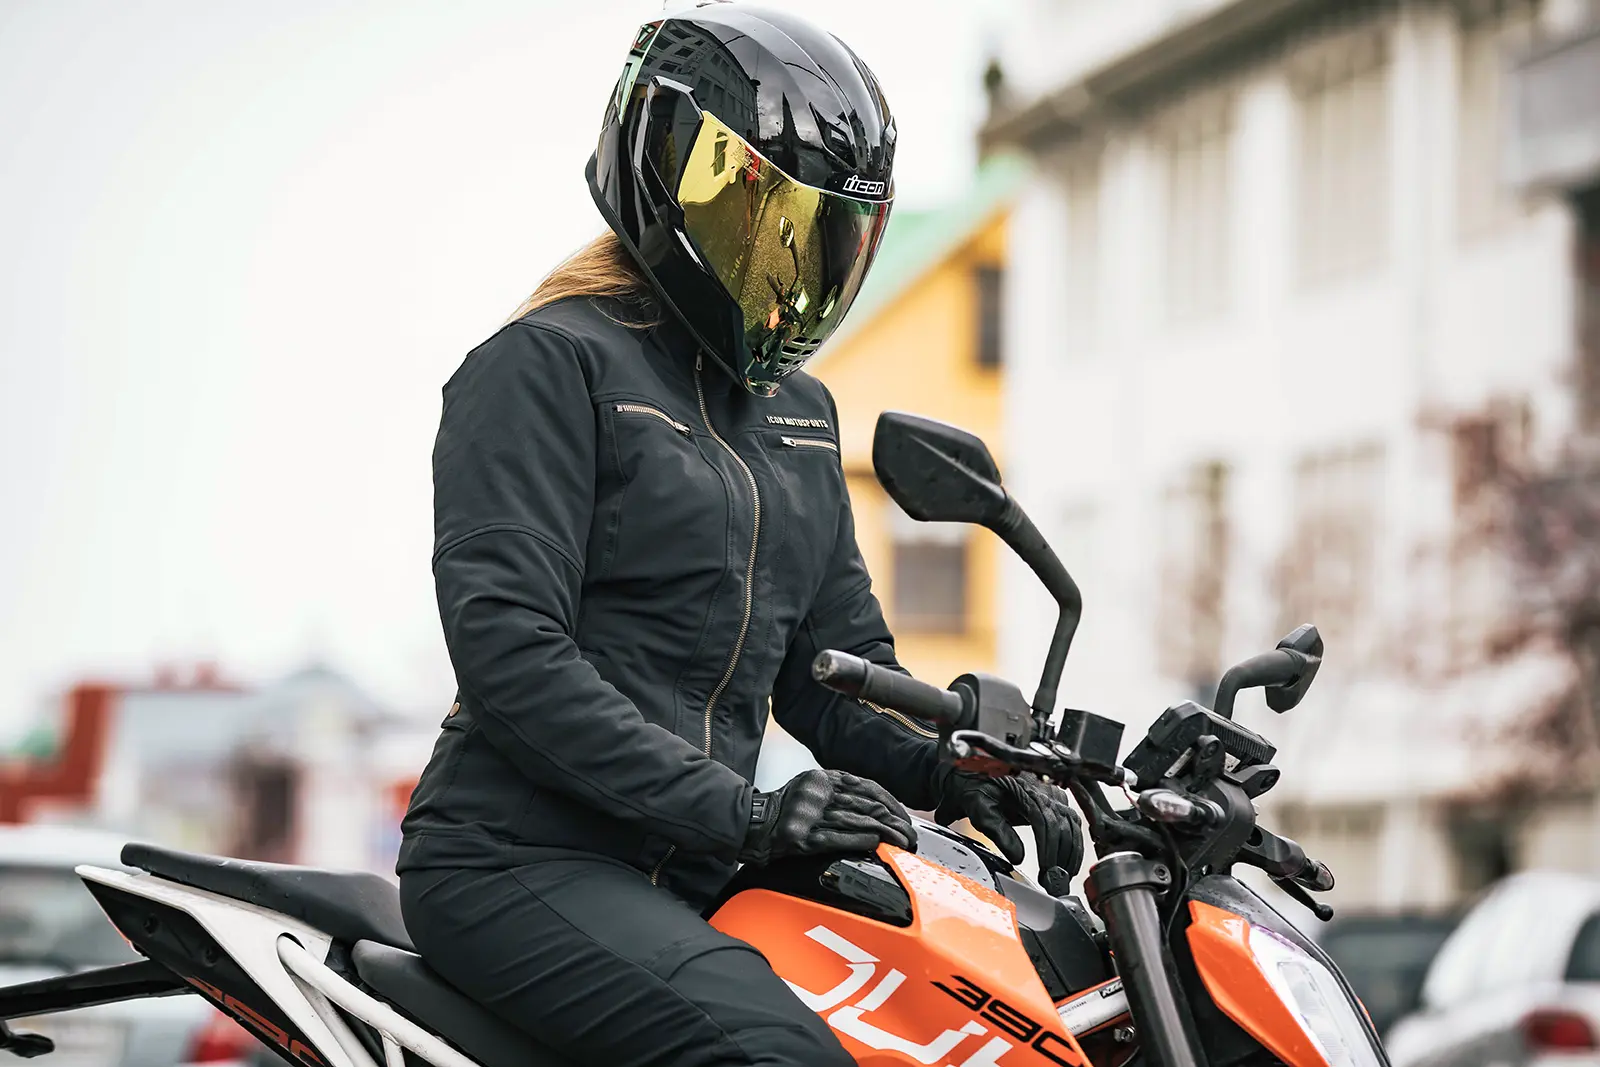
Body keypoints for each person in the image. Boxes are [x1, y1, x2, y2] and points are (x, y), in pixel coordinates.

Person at [397, 4, 1083, 1065]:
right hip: (518, 860)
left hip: (695, 866)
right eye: (775, 223)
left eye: (828, 235)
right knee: (781, 1054)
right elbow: (511, 657)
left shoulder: (800, 414)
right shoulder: (545, 366)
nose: (800, 268)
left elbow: (832, 677)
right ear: (677, 179)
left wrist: (960, 771)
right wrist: (748, 813)